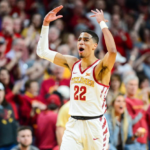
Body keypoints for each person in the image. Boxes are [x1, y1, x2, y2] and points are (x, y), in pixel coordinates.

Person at [37, 5, 117, 150]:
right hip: (73, 124)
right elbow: (42, 52)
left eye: (86, 40)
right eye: (79, 39)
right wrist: (45, 24)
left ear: (94, 46)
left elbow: (112, 51)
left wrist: (102, 23)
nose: (81, 42)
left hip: (94, 125)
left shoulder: (100, 68)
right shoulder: (72, 62)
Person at [0, 82, 18, 150]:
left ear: (4, 92)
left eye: (0, 91)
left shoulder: (9, 105)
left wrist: (16, 140)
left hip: (12, 143)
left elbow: (14, 124)